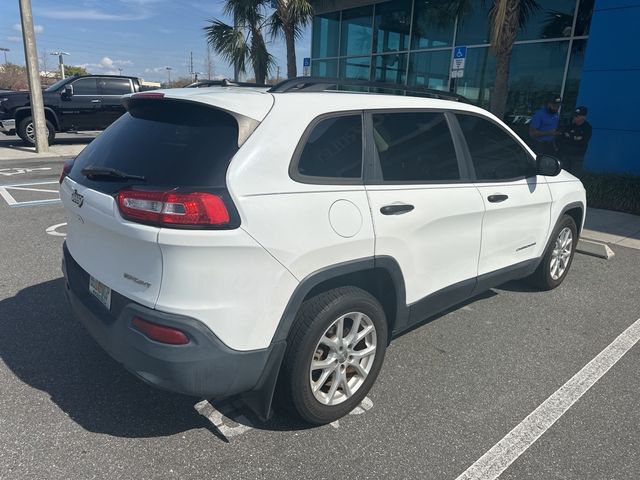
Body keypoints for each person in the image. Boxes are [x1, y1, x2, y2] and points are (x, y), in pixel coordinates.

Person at [559, 106, 592, 176]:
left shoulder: (587, 128)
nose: (574, 117)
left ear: (583, 117)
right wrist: (575, 138)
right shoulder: (570, 126)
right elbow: (563, 138)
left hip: (577, 156)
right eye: (574, 115)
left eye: (577, 116)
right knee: (563, 174)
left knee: (574, 176)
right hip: (566, 154)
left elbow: (583, 141)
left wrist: (570, 137)